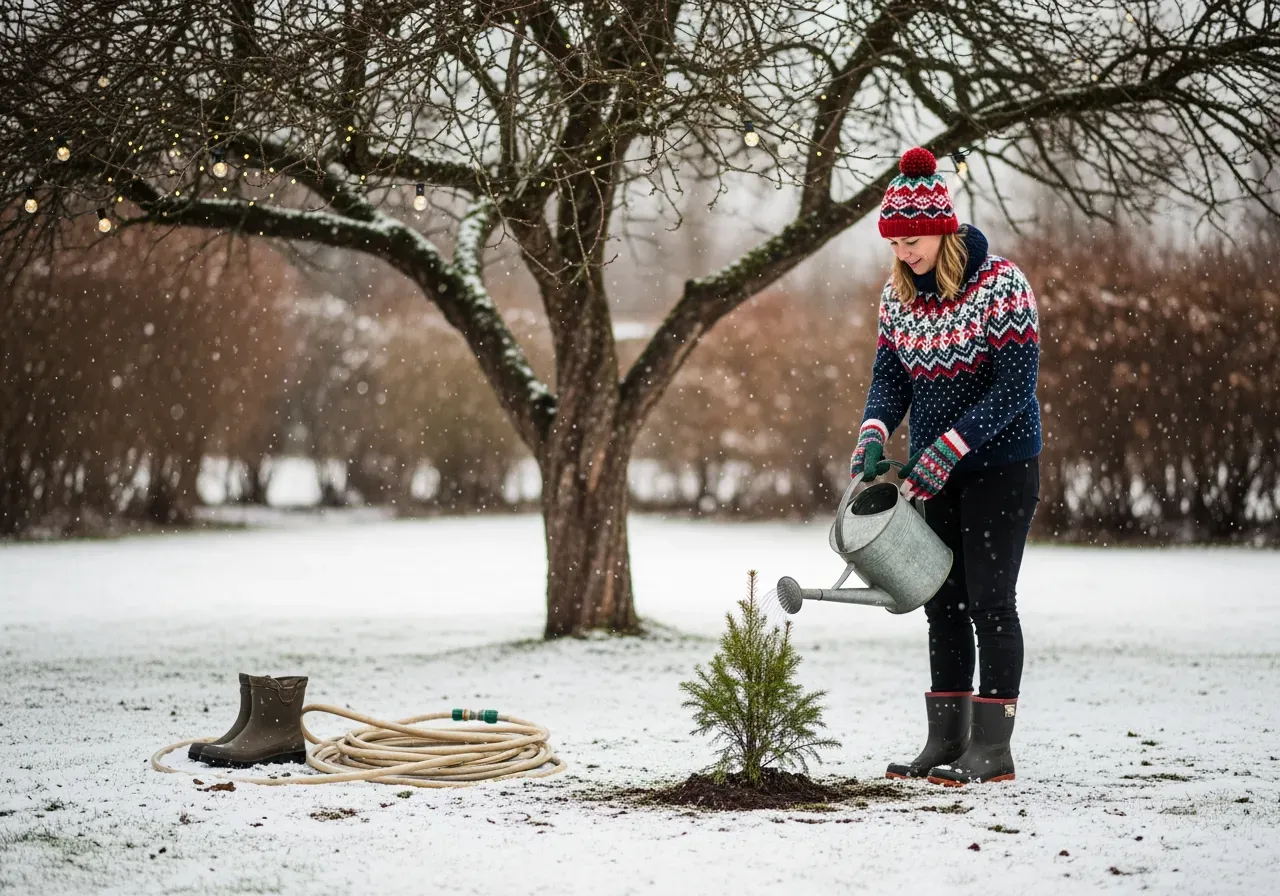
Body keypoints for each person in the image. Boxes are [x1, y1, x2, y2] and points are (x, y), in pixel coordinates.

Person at [848, 147, 1042, 786]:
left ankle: (993, 750)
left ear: (942, 229)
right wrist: (873, 433)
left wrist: (950, 448)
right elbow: (890, 377)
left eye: (912, 240)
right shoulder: (897, 296)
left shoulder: (1001, 285)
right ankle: (946, 741)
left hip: (1000, 469)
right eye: (894, 242)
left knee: (991, 603)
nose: (904, 252)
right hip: (934, 474)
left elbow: (1015, 388)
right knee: (942, 601)